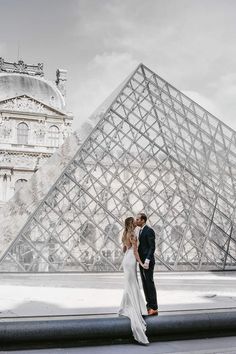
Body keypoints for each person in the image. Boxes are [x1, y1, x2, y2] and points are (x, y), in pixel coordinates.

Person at [118, 217, 149, 345]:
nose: (136, 222)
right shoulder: (132, 234)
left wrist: (127, 248)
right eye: (134, 221)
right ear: (132, 224)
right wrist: (141, 263)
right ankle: (134, 306)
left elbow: (124, 249)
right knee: (133, 284)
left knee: (128, 284)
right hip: (131, 261)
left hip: (126, 260)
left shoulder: (124, 234)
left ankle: (126, 304)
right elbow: (135, 252)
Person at [136, 213, 158, 316]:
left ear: (143, 220)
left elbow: (152, 247)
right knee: (145, 284)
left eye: (138, 219)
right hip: (142, 261)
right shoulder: (140, 230)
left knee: (149, 283)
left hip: (147, 262)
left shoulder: (149, 231)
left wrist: (147, 260)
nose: (136, 221)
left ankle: (154, 307)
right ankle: (149, 304)